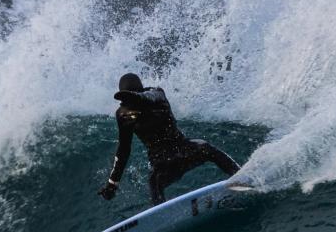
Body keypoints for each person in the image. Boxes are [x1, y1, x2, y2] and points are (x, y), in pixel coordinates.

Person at [99, 72, 240, 205]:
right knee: (154, 182)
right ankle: (161, 214)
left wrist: (137, 98)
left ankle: (241, 176)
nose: (126, 103)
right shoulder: (123, 115)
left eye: (130, 97)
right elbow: (123, 150)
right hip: (162, 163)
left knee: (206, 148)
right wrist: (112, 184)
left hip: (183, 150)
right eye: (124, 100)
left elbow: (150, 97)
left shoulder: (157, 94)